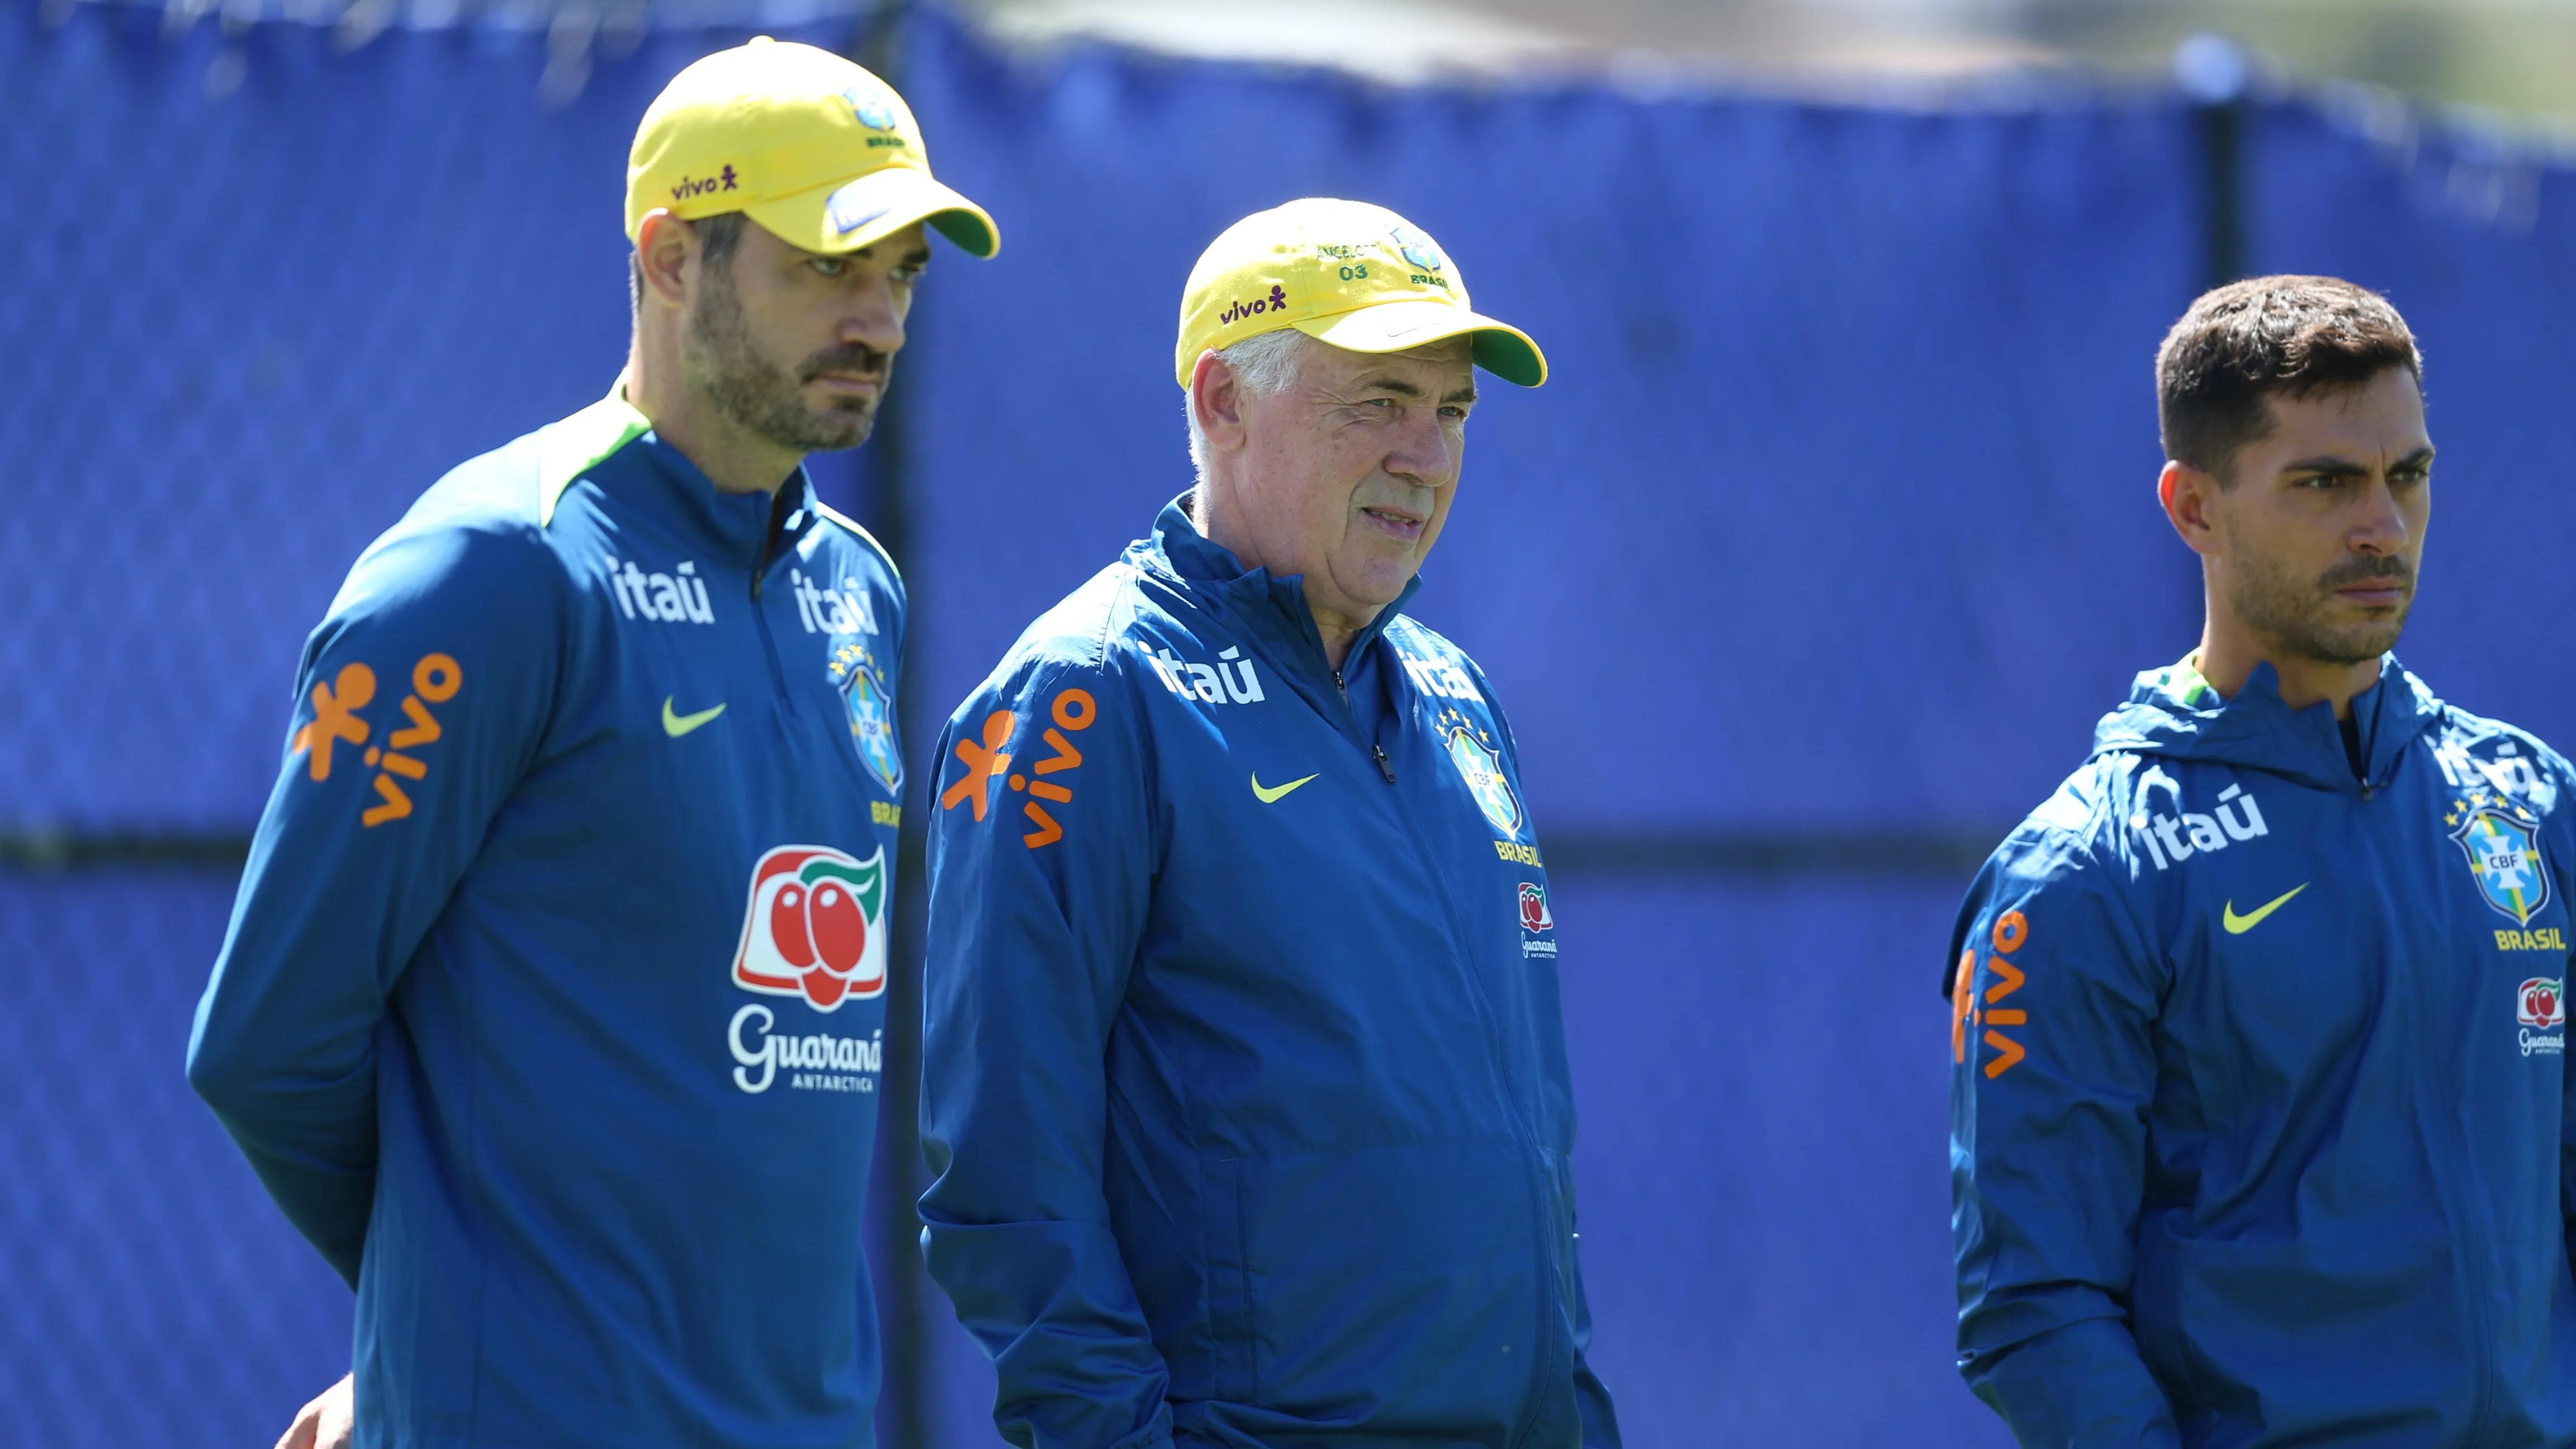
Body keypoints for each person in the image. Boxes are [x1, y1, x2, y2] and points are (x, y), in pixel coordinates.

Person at [184, 39, 997, 1449]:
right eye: (829, 265)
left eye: (904, 273)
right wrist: (441, 1318)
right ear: (673, 256)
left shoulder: (857, 587)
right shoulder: (493, 569)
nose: (880, 317)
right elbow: (267, 1043)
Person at [915, 198, 1620, 1448]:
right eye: (1378, 402)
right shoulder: (1089, 691)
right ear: (1221, 402)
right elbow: (1003, 1174)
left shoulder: (1457, 697)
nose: (1429, 455)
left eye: (1452, 410)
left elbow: (1530, 1154)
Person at [1948, 276, 2576, 1445]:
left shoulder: (2532, 806)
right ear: (2193, 507)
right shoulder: (2088, 873)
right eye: (2326, 482)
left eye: (2408, 476)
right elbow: (2033, 1307)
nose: (2382, 526)